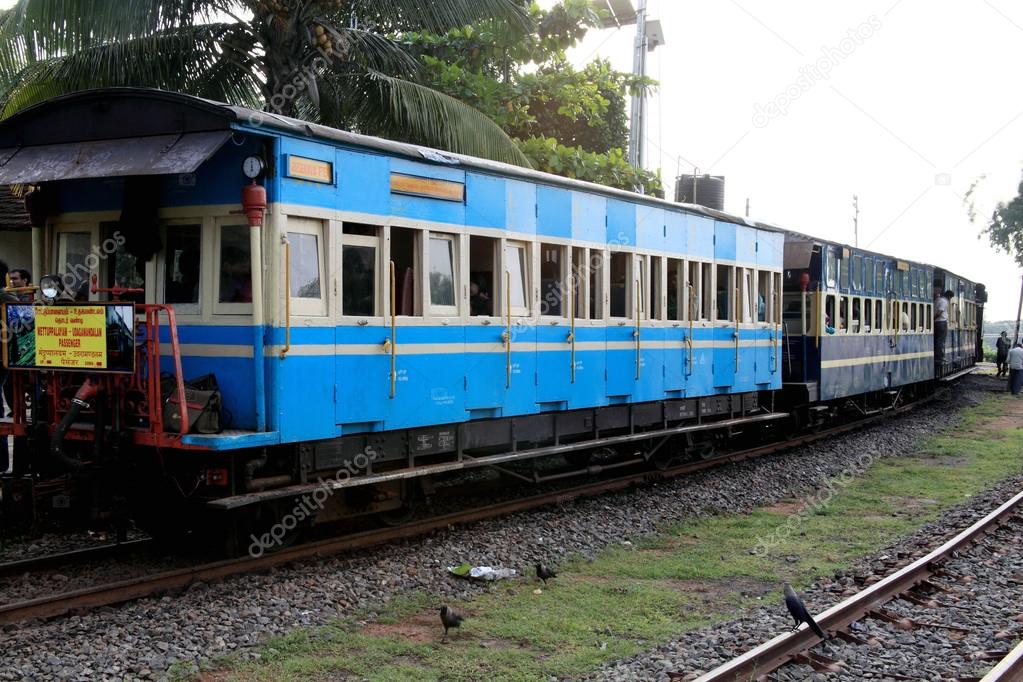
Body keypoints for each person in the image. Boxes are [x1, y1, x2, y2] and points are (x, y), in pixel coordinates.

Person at [934, 289, 950, 364]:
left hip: (936, 322)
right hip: (941, 322)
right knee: (941, 340)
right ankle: (940, 357)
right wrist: (933, 318)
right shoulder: (944, 302)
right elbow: (940, 311)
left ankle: (937, 355)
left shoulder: (937, 300)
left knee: (937, 340)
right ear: (949, 297)